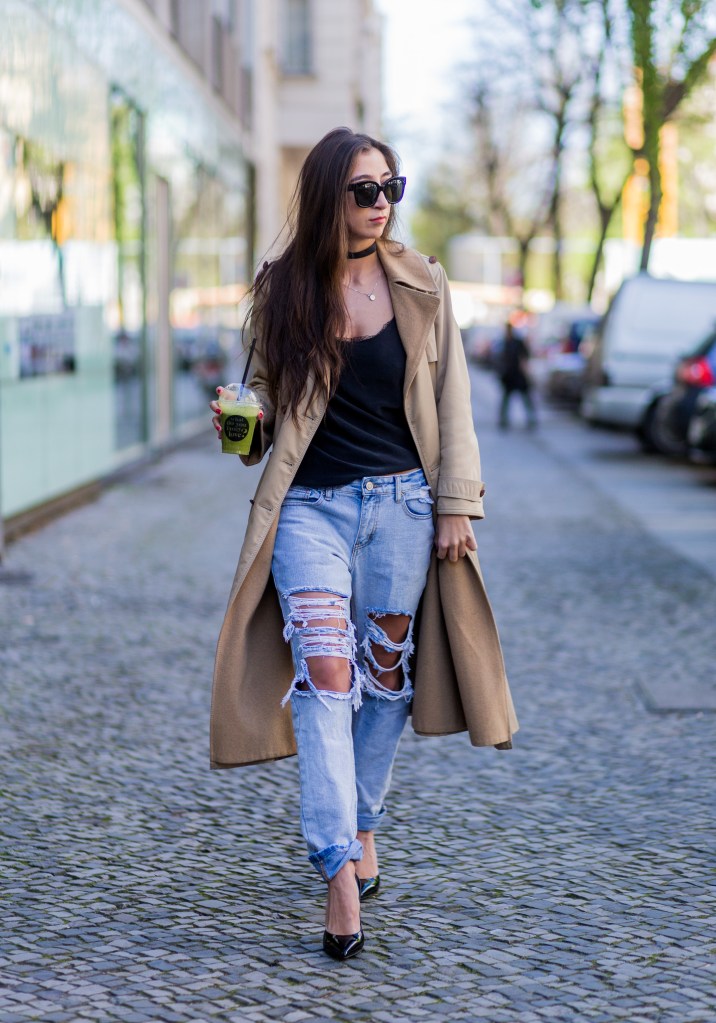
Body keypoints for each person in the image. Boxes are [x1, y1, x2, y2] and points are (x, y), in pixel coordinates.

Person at [209, 127, 517, 962]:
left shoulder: (425, 283)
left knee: (384, 680)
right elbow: (263, 406)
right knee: (325, 671)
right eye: (363, 190)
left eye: (391, 187)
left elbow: (454, 399)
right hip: (309, 509)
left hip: (406, 506)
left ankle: (364, 819)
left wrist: (457, 503)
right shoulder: (283, 291)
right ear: (326, 198)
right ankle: (338, 864)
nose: (381, 204)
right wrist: (243, 420)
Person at [497, 321, 537, 429]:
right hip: (509, 376)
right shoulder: (505, 342)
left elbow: (524, 357)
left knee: (525, 398)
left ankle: (531, 419)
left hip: (518, 375)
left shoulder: (516, 342)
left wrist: (524, 370)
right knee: (507, 399)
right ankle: (503, 420)